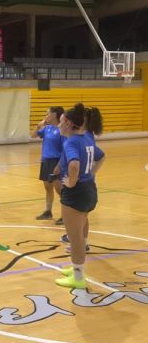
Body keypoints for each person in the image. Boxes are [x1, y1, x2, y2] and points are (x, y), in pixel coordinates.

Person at [55, 103, 105, 289]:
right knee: (79, 235)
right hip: (89, 189)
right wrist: (90, 174)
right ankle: (77, 268)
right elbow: (100, 156)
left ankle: (78, 278)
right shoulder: (86, 138)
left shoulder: (71, 142)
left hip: (76, 193)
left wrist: (70, 183)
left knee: (74, 239)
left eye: (61, 122)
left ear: (68, 123)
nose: (58, 126)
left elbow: (74, 165)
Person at [61, 106, 105, 251]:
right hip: (87, 185)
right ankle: (82, 244)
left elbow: (74, 165)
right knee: (84, 218)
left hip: (79, 186)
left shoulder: (79, 139)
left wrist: (74, 181)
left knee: (78, 226)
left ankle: (78, 249)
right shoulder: (86, 137)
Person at [31, 106, 64, 220]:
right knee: (48, 187)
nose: (46, 116)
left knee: (59, 189)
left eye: (48, 114)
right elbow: (33, 135)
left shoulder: (62, 130)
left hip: (56, 161)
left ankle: (65, 215)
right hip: (46, 161)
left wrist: (60, 165)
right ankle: (48, 211)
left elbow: (65, 149)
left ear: (55, 115)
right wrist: (39, 125)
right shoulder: (47, 128)